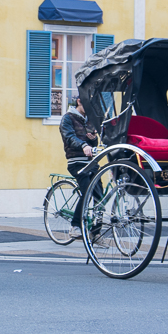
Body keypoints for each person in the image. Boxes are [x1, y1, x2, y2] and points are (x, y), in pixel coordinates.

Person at [59, 94, 102, 237]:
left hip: (91, 162)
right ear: (79, 101)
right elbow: (69, 137)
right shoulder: (67, 118)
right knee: (87, 191)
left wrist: (93, 140)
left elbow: (92, 144)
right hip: (76, 162)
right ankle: (75, 226)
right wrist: (83, 144)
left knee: (100, 196)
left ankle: (95, 233)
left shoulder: (90, 120)